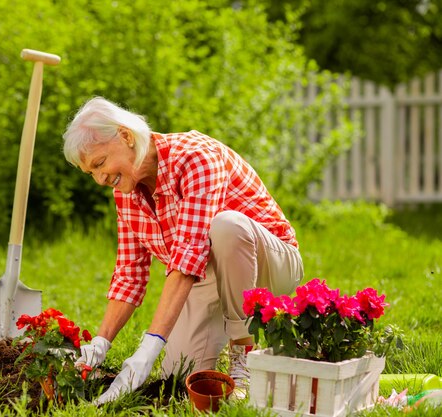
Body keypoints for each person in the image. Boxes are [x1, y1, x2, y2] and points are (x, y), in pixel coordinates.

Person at [62, 97, 304, 404]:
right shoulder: (126, 194)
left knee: (226, 226)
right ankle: (245, 348)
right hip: (207, 275)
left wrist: (148, 348)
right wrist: (100, 342)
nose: (100, 179)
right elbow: (129, 275)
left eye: (100, 164)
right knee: (176, 376)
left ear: (125, 136)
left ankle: (245, 359)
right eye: (91, 173)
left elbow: (189, 255)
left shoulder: (194, 158)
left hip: (270, 265)